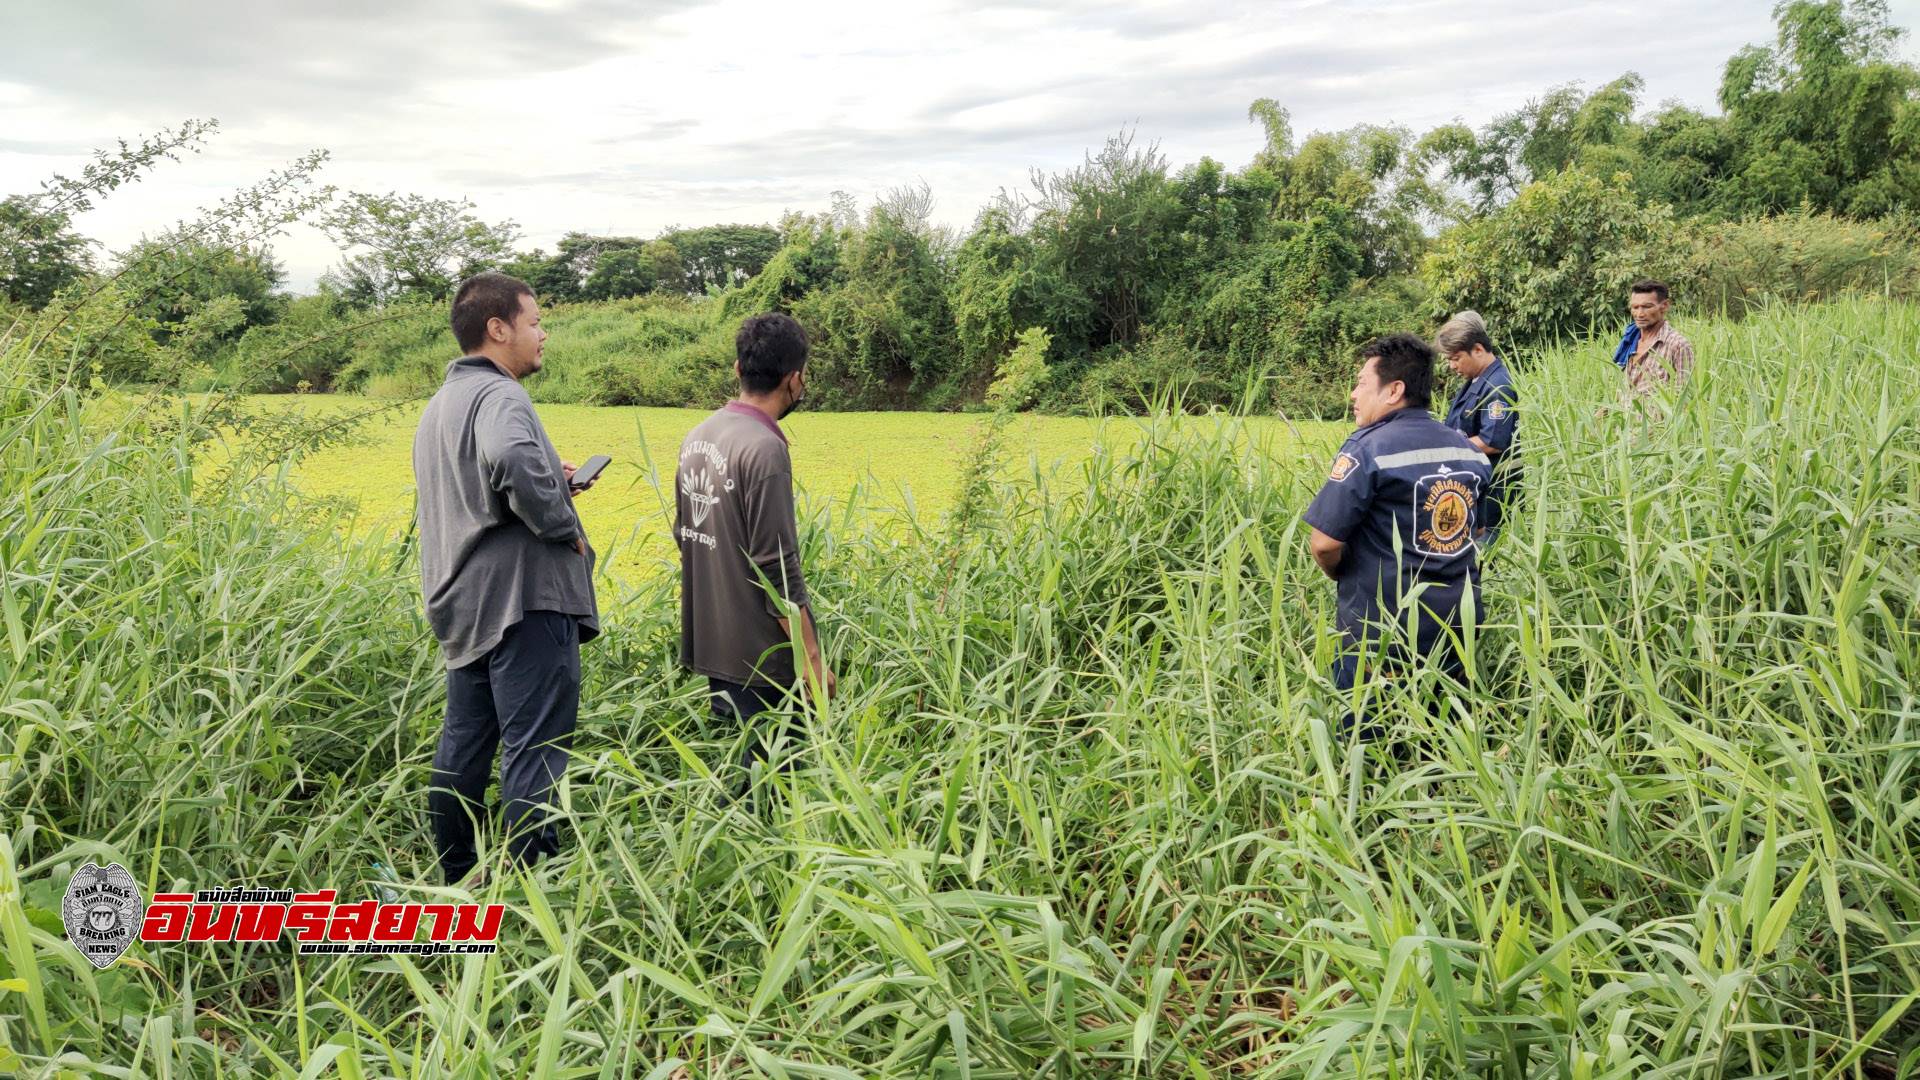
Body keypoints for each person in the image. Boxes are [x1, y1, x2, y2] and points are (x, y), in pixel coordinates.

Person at [413, 271, 600, 886]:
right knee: (535, 750)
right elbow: (511, 457)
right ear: (498, 329)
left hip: (464, 603)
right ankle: (530, 895)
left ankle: (459, 878)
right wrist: (557, 522)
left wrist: (552, 473)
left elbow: (491, 473)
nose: (543, 334)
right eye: (535, 321)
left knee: (464, 748)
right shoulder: (502, 396)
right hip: (523, 603)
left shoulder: (442, 405)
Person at [1303, 333, 1491, 738]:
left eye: (1360, 383)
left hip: (1383, 625)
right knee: (1442, 738)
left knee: (1365, 741)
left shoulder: (1367, 449)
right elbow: (1474, 530)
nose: (1353, 394)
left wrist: (1340, 573)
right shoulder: (1466, 448)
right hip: (1458, 621)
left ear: (1394, 390)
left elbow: (1324, 543)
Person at [676, 312, 835, 785]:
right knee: (773, 785)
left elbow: (685, 535)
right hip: (762, 656)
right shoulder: (764, 449)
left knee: (743, 774)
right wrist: (810, 658)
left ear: (738, 369)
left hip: (713, 640)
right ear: (795, 379)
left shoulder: (698, 436)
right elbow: (776, 566)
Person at [1436, 311, 1518, 545]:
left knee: (1484, 564)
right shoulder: (1476, 381)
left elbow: (1492, 442)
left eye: (1456, 358)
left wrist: (1444, 449)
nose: (1452, 366)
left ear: (1479, 350)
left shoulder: (1497, 386)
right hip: (1470, 491)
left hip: (1491, 495)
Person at [1612, 279, 1695, 394]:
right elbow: (1622, 391)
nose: (1640, 314)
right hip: (1624, 411)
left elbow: (1684, 395)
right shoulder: (1629, 342)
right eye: (1635, 307)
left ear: (1664, 306)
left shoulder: (1678, 345)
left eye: (1647, 307)